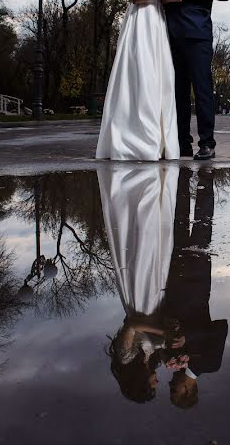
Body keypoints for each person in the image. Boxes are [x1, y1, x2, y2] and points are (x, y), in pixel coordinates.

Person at [96, 0, 181, 161]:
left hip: (158, 20)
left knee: (161, 77)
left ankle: (160, 140)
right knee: (142, 75)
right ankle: (137, 139)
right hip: (141, 21)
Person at [98, 166, 183, 402]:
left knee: (143, 258)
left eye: (152, 386)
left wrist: (162, 332)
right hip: (156, 303)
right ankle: (157, 197)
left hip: (139, 302)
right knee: (159, 254)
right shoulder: (150, 360)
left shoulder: (124, 356)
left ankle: (140, 197)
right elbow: (155, 341)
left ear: (139, 383)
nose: (157, 382)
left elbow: (133, 326)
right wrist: (170, 347)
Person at [165, 0, 230, 161]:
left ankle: (207, 143)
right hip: (171, 33)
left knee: (202, 89)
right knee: (177, 91)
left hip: (198, 33)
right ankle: (183, 144)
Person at [163, 167, 228, 408]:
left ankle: (182, 178)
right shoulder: (210, 364)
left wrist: (166, 349)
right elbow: (220, 328)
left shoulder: (170, 359)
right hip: (198, 283)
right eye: (174, 392)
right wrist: (187, 337)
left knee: (177, 223)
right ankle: (206, 179)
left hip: (172, 282)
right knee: (203, 224)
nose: (170, 386)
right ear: (188, 391)